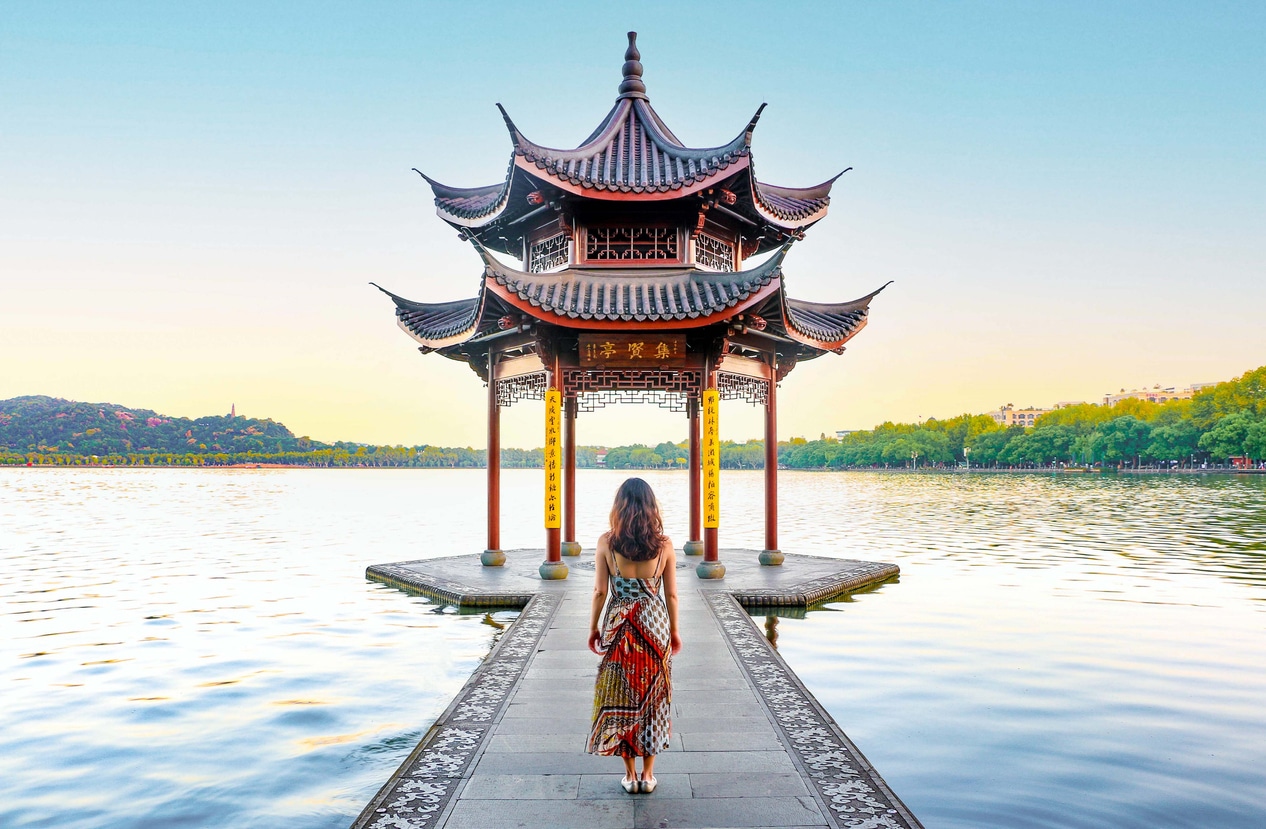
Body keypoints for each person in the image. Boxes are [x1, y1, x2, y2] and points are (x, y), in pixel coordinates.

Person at [586, 477, 681, 794]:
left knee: (622, 695)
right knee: (654, 698)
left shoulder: (606, 543)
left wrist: (594, 627)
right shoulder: (664, 545)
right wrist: (675, 632)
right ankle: (648, 775)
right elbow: (673, 596)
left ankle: (629, 776)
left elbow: (600, 591)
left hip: (619, 623)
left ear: (619, 507)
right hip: (655, 623)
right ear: (652, 508)